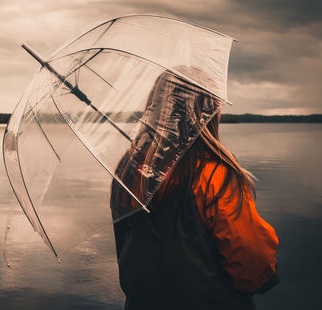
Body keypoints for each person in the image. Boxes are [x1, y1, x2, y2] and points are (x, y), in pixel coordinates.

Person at [110, 70, 279, 310]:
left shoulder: (127, 172)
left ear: (156, 108)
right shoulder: (214, 177)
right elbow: (252, 268)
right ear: (208, 114)